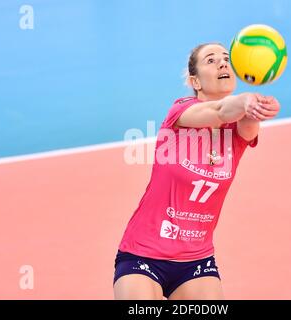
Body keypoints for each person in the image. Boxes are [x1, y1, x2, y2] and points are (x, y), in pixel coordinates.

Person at [113, 43, 281, 300]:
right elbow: (219, 110)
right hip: (143, 254)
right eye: (211, 60)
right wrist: (247, 100)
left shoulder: (237, 129)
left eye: (226, 59)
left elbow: (244, 119)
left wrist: (259, 105)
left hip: (196, 262)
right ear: (196, 81)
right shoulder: (181, 112)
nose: (223, 63)